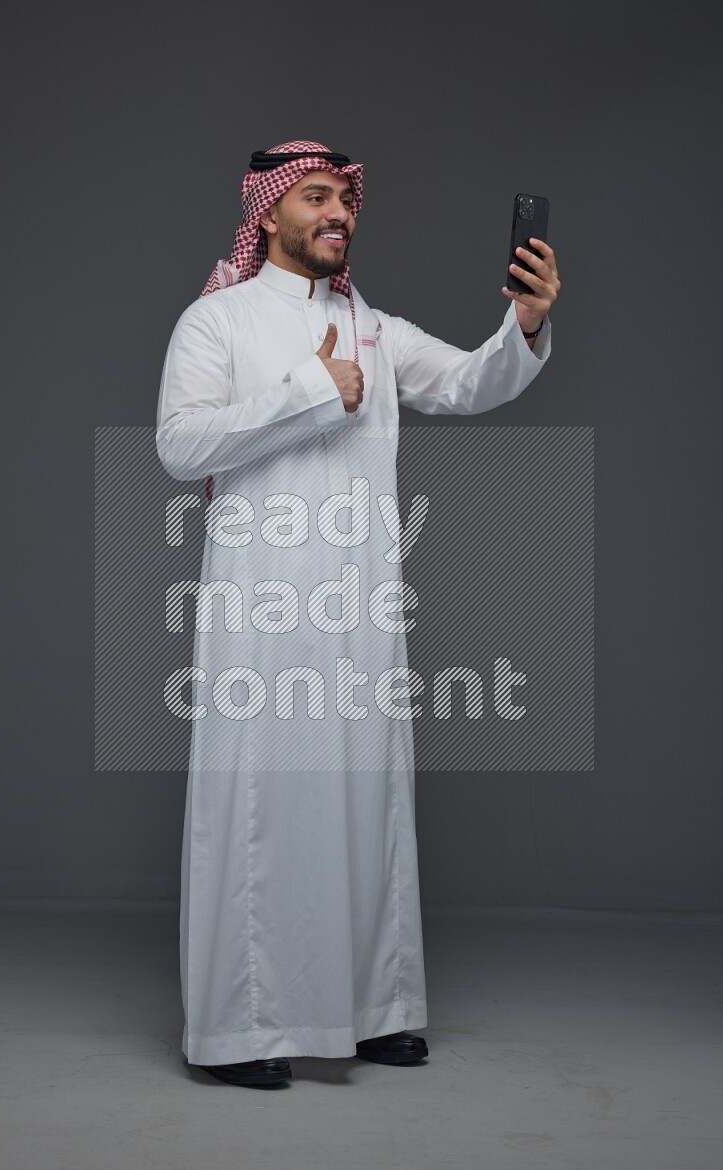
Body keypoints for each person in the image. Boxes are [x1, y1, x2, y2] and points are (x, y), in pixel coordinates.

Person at [155, 140, 560, 1088]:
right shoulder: (216, 321)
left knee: (368, 799)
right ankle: (239, 1026)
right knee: (260, 807)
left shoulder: (370, 325)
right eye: (316, 196)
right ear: (268, 213)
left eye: (346, 199)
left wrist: (527, 327)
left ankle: (376, 1009)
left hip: (362, 609)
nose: (338, 213)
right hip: (263, 612)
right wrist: (308, 393)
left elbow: (467, 383)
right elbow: (178, 443)